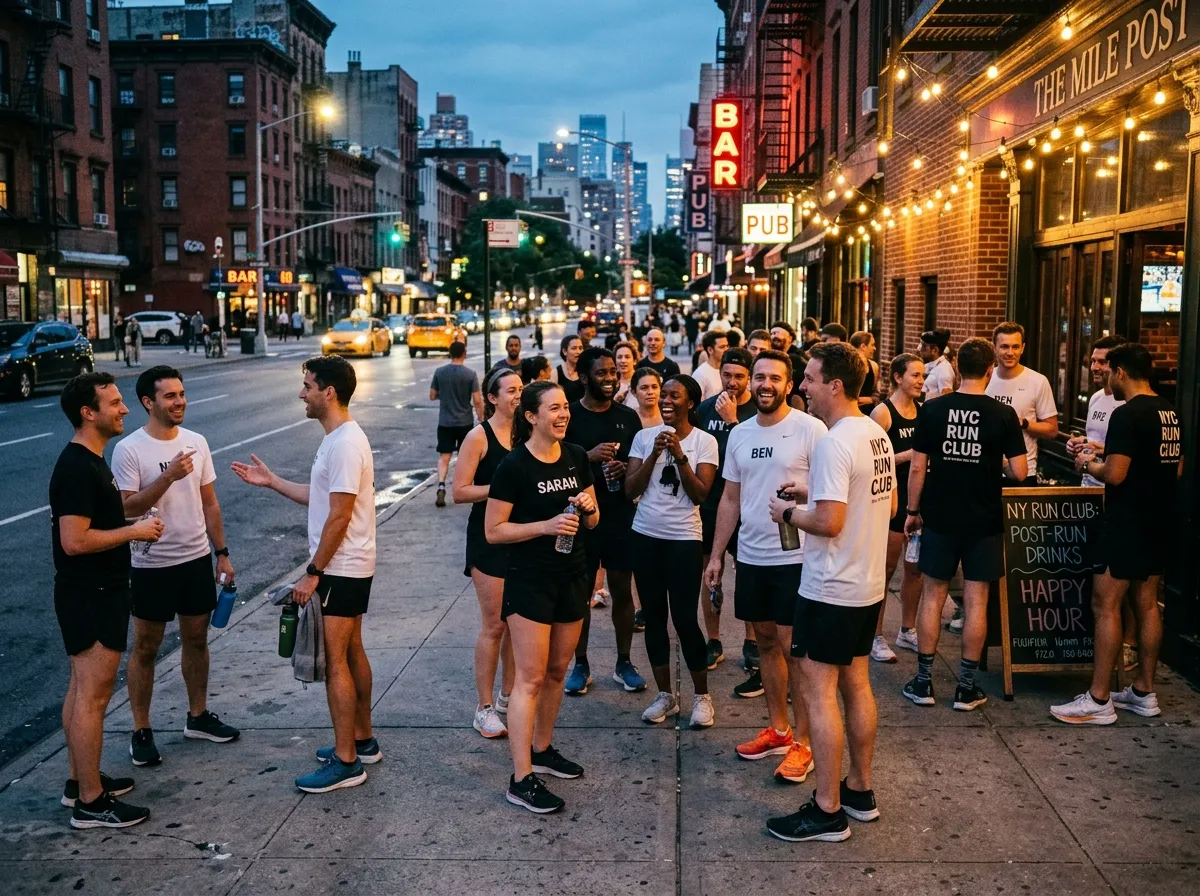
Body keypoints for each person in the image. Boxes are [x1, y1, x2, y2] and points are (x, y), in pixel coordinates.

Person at [764, 343, 895, 843]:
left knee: (817, 695)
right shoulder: (874, 434)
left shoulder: (835, 441)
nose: (802, 388)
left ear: (835, 385)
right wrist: (812, 494)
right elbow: (881, 500)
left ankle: (827, 810)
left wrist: (789, 514)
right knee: (857, 685)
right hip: (866, 586)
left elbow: (830, 521)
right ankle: (859, 791)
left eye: (811, 379)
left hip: (829, 587)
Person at [231, 356, 380, 793]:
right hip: (349, 563)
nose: (302, 393)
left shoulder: (345, 443)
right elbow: (321, 499)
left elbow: (338, 516)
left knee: (336, 661)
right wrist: (273, 481)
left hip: (341, 565)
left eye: (308, 386)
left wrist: (313, 572)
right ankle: (362, 740)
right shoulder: (337, 440)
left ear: (328, 393)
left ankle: (347, 761)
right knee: (352, 652)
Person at [708, 350, 828, 783]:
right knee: (764, 643)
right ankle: (779, 730)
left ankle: (807, 743)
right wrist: (718, 553)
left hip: (796, 556)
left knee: (797, 651)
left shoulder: (811, 429)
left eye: (774, 378)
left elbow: (830, 490)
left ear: (789, 383)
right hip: (753, 555)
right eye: (759, 377)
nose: (764, 384)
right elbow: (730, 498)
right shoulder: (738, 433)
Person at [112, 366, 239, 767]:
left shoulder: (197, 442)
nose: (179, 401)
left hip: (195, 558)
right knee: (146, 647)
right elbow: (126, 507)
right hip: (150, 564)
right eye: (169, 396)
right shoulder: (129, 449)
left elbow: (210, 502)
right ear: (149, 403)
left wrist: (222, 552)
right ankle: (141, 730)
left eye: (181, 394)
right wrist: (168, 477)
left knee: (197, 640)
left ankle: (197, 716)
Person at [51, 373, 160, 829]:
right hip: (92, 594)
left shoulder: (92, 460)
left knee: (81, 690)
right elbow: (74, 541)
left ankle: (80, 782)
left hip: (94, 592)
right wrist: (134, 532)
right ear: (87, 413)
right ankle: (92, 804)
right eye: (115, 403)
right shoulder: (77, 467)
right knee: (92, 699)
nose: (125, 409)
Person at [485, 381, 599, 813]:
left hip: (573, 576)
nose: (563, 414)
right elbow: (493, 531)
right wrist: (545, 526)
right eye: (553, 408)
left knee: (556, 671)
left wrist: (588, 509)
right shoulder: (514, 466)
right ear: (531, 416)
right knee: (529, 679)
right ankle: (521, 777)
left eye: (565, 407)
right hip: (530, 580)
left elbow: (593, 521)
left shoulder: (574, 456)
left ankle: (543, 748)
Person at [1052, 343, 1181, 724]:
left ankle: (1098, 699)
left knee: (1104, 604)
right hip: (1160, 519)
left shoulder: (1127, 414)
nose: (1106, 376)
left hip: (1125, 520)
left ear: (1121, 371)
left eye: (1109, 369)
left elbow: (1116, 474)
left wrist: (1088, 462)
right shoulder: (1171, 412)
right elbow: (1174, 469)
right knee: (1146, 603)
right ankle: (1144, 691)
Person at [902, 338, 1027, 712]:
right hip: (984, 519)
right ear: (990, 369)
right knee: (976, 601)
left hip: (940, 515)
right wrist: (993, 463)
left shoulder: (933, 409)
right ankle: (966, 688)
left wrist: (912, 510)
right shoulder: (1002, 414)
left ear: (957, 369)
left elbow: (919, 467)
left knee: (933, 595)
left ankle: (923, 682)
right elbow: (1020, 471)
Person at [626, 375, 719, 727]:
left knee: (684, 618)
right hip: (645, 535)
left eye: (673, 396)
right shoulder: (643, 437)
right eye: (662, 394)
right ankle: (665, 694)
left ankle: (701, 697)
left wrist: (679, 455)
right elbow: (629, 489)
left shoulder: (704, 442)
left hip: (683, 539)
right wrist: (654, 453)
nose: (665, 400)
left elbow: (700, 494)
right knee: (653, 617)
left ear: (690, 403)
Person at [563, 348, 647, 696]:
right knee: (581, 593)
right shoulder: (568, 417)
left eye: (614, 372)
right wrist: (588, 456)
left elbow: (641, 467)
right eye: (602, 373)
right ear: (584, 377)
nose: (611, 378)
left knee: (622, 589)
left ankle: (624, 662)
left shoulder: (628, 418)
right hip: (580, 518)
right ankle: (580, 664)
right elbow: (554, 463)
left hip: (619, 514)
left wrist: (626, 467)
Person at [453, 369, 521, 738]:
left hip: (522, 537)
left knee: (517, 622)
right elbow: (459, 491)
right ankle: (484, 708)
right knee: (495, 624)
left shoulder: (528, 434)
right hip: (488, 538)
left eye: (521, 389)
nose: (518, 395)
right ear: (492, 398)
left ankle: (509, 695)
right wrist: (501, 487)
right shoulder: (478, 437)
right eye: (511, 390)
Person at [1066, 335, 1138, 670]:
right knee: (1097, 576)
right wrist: (1081, 444)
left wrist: (1097, 453)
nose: (1095, 367)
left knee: (1121, 580)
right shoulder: (1096, 398)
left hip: (1115, 497)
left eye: (1102, 362)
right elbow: (1097, 442)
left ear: (1118, 367)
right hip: (1088, 490)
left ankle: (1128, 644)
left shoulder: (1128, 405)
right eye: (1092, 360)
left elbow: (1126, 458)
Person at [695, 348, 759, 681]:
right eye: (727, 375)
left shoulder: (756, 411)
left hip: (747, 504)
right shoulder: (705, 410)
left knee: (747, 571)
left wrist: (734, 420)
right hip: (711, 504)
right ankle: (714, 639)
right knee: (710, 571)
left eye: (739, 376)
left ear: (749, 378)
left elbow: (754, 454)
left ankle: (751, 641)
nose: (732, 382)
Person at [869, 353, 925, 662]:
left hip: (917, 499)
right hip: (892, 501)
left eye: (922, 376)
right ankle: (876, 636)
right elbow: (873, 459)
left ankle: (907, 630)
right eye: (915, 375)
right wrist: (911, 455)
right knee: (885, 570)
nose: (920, 381)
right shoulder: (883, 413)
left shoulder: (923, 411)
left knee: (914, 569)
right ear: (898, 378)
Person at [985, 322, 1059, 486]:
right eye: (1004, 347)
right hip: (985, 470)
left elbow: (1052, 430)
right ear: (994, 347)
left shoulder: (1037, 381)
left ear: (1023, 348)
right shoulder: (985, 379)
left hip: (1023, 472)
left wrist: (1023, 423)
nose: (1010, 353)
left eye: (1015, 347)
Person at [430, 341, 483, 508]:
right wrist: (481, 418)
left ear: (450, 353)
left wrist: (444, 396)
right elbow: (477, 400)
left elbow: (432, 395)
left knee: (444, 457)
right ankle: (463, 488)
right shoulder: (470, 374)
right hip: (464, 421)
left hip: (445, 421)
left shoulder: (440, 372)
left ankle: (441, 484)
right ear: (464, 354)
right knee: (464, 457)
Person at [692, 330, 729, 401]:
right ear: (710, 350)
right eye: (722, 347)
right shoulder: (700, 374)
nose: (726, 349)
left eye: (727, 346)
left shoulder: (728, 369)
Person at [919, 329, 954, 399]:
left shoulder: (944, 370)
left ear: (934, 350)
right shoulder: (927, 365)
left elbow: (946, 401)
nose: (919, 348)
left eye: (923, 346)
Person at [849, 331, 880, 409]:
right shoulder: (847, 365)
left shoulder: (874, 366)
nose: (874, 348)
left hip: (869, 413)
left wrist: (871, 399)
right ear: (863, 346)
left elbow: (876, 392)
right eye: (872, 345)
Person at [552, 335, 585, 403]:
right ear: (564, 351)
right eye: (574, 348)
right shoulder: (556, 373)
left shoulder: (586, 371)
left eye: (580, 348)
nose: (578, 352)